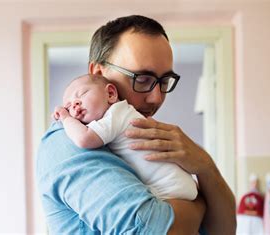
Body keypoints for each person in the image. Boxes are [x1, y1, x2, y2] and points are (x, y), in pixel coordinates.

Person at [36, 15, 236, 234]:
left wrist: (206, 167)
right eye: (141, 79)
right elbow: (146, 229)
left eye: (164, 81)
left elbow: (223, 232)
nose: (157, 98)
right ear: (99, 73)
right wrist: (199, 207)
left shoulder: (138, 136)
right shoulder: (67, 141)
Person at [53, 74, 198, 201]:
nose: (75, 104)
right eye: (68, 106)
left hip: (170, 188)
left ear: (110, 94)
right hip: (180, 186)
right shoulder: (122, 114)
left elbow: (84, 139)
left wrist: (65, 117)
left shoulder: (117, 113)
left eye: (82, 94)